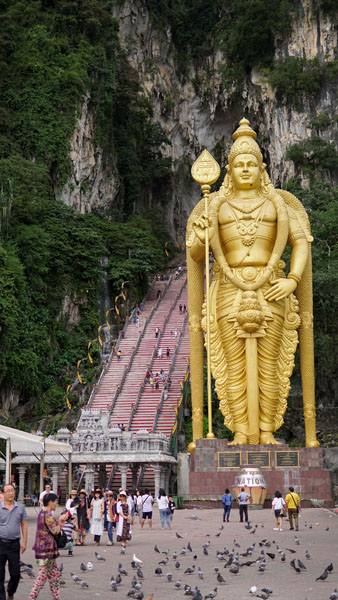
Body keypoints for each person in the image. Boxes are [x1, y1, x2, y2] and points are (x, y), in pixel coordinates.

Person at [187, 118, 319, 447]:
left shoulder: (279, 206)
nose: (245, 169)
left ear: (262, 170)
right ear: (228, 172)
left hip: (272, 286)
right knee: (232, 366)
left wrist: (292, 279)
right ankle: (240, 432)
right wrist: (202, 233)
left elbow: (301, 242)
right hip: (229, 289)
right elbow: (194, 252)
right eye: (238, 164)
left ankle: (267, 431)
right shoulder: (214, 207)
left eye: (251, 164)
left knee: (271, 365)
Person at [28, 492, 67, 600]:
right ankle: (32, 596)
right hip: (47, 550)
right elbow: (55, 531)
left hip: (44, 548)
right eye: (55, 502)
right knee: (42, 575)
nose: (56, 504)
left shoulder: (42, 512)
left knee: (54, 575)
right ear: (50, 502)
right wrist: (62, 520)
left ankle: (56, 596)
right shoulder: (48, 515)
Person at [0, 483, 27, 600]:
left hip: (14, 544)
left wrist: (24, 542)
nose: (11, 493)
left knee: (16, 574)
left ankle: (10, 592)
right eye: (8, 491)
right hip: (1, 543)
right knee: (0, 575)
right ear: (3, 494)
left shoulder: (20, 507)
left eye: (12, 490)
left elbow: (24, 525)